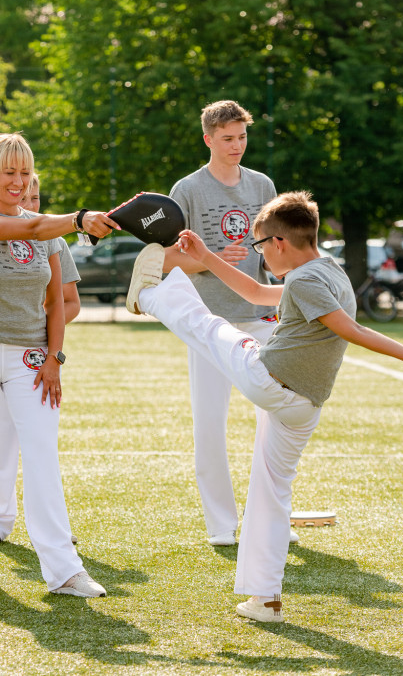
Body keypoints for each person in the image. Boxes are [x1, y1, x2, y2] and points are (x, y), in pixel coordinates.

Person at [126, 191, 403, 621]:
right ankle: (265, 599)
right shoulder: (329, 270)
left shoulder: (305, 280)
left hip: (271, 381)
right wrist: (205, 255)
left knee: (212, 328)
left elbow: (351, 330)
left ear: (278, 242)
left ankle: (148, 296)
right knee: (270, 492)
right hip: (305, 405)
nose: (260, 256)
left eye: (260, 247)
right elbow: (257, 293)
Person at [0, 133, 117, 596]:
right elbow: (30, 229)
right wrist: (80, 219)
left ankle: (64, 571)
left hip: (31, 355)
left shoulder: (47, 231)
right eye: (9, 173)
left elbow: (58, 302)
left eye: (25, 173)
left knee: (41, 456)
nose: (19, 182)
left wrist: (54, 359)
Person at [164, 99, 287, 547]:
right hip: (209, 322)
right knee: (210, 425)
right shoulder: (188, 190)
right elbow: (165, 259)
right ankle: (222, 525)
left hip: (261, 318)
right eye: (228, 139)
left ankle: (271, 520)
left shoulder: (263, 184)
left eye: (242, 137)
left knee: (276, 420)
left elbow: (277, 248)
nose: (237, 146)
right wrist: (212, 261)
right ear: (208, 139)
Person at [0, 172, 82, 546]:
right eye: (24, 195)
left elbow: (69, 302)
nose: (30, 202)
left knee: (41, 445)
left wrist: (45, 344)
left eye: (37, 197)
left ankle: (54, 531)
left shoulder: (54, 239)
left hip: (37, 356)